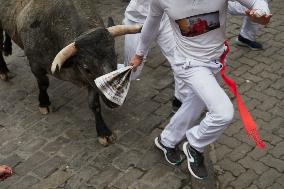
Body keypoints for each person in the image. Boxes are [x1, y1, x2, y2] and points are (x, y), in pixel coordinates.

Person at [129, 0, 271, 180]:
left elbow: (257, 2)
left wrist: (261, 13)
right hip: (189, 64)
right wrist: (139, 53)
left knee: (195, 103)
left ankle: (166, 140)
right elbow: (151, 22)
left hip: (217, 59)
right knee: (223, 113)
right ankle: (195, 144)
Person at [122, 0, 186, 114]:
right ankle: (110, 73)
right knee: (132, 72)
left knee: (180, 61)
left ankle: (180, 100)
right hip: (138, 21)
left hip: (164, 17)